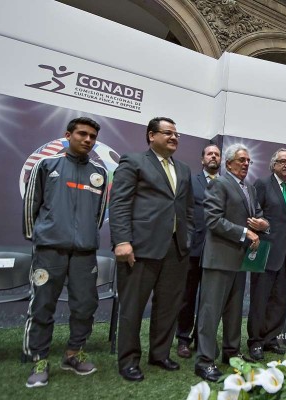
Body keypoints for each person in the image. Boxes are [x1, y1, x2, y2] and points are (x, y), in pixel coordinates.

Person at [22, 117, 108, 388]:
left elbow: (98, 215)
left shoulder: (99, 172)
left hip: (84, 251)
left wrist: (86, 236)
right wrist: (38, 237)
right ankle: (39, 359)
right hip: (49, 249)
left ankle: (73, 353)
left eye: (92, 136)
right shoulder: (46, 165)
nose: (88, 140)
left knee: (85, 305)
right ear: (68, 135)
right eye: (82, 134)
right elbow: (31, 204)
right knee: (42, 304)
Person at [109, 117, 195, 382]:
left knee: (168, 306)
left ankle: (159, 354)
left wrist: (188, 238)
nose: (174, 137)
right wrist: (122, 241)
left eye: (176, 134)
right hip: (140, 248)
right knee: (132, 308)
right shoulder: (133, 161)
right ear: (151, 135)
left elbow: (188, 209)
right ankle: (129, 361)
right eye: (168, 133)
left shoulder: (184, 169)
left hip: (176, 249)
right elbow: (119, 203)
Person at [194, 144, 269, 382]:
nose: (246, 164)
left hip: (240, 260)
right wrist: (244, 232)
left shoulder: (249, 188)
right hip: (219, 259)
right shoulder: (219, 183)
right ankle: (205, 361)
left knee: (234, 312)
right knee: (210, 312)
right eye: (241, 160)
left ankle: (231, 353)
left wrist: (264, 224)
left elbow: (259, 214)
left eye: (248, 160)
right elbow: (213, 220)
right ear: (228, 164)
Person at [247, 148, 286, 360]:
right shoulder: (262, 184)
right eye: (283, 161)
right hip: (265, 251)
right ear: (273, 165)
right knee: (260, 299)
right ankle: (255, 342)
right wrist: (265, 227)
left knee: (279, 299)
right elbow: (254, 213)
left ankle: (271, 339)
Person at [175, 144, 221, 359]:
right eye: (210, 154)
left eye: (217, 154)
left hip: (218, 250)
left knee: (209, 299)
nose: (214, 157)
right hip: (194, 248)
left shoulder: (226, 184)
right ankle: (183, 339)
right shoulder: (191, 181)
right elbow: (182, 211)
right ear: (202, 159)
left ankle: (203, 338)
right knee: (188, 296)